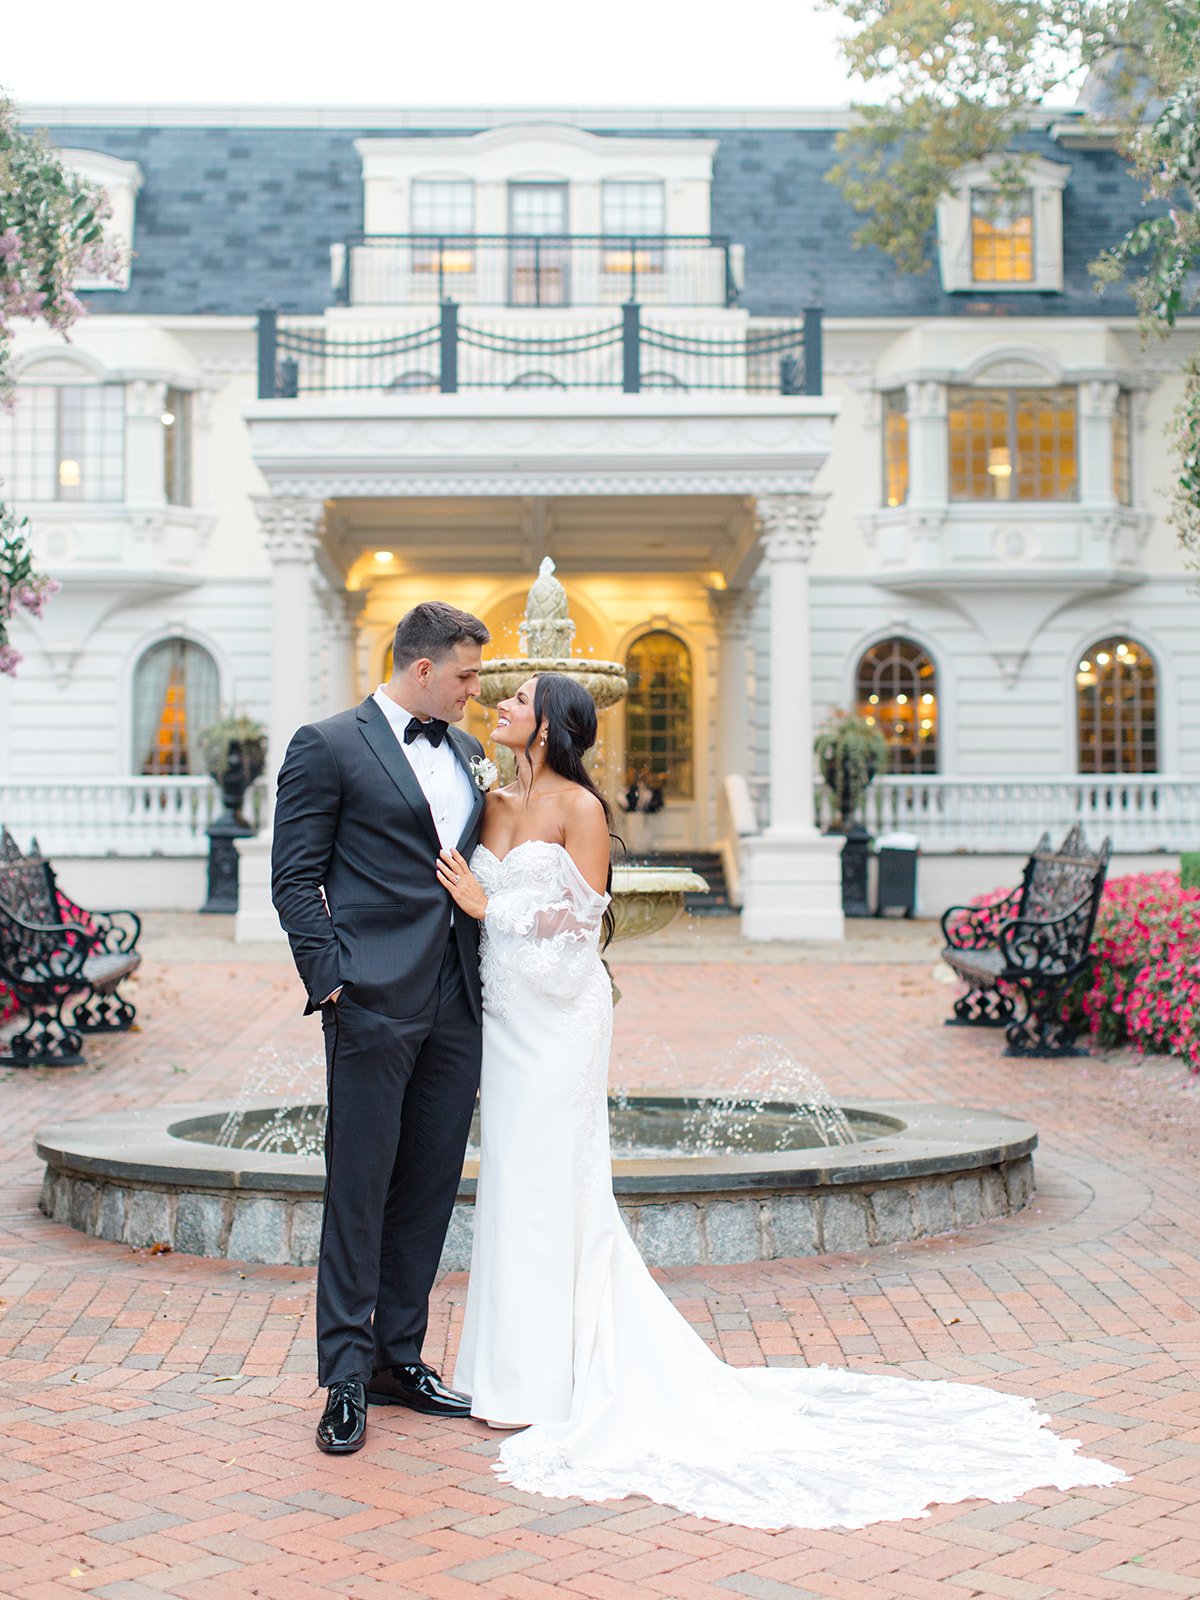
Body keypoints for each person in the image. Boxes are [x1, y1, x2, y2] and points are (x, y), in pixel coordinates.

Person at [437, 671, 1125, 1530]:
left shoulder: (578, 808)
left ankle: (557, 1376)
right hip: (503, 1018)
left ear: (548, 726)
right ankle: (507, 1373)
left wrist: (487, 905)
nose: (498, 704)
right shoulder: (493, 801)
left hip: (559, 1019)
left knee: (553, 1182)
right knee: (510, 1179)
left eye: (516, 698)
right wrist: (478, 905)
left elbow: (578, 930)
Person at [272, 600, 490, 1455]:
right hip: (369, 999)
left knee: (430, 1186)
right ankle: (346, 1377)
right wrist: (333, 982)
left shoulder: (469, 753)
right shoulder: (325, 746)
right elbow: (294, 877)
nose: (477, 691)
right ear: (424, 668)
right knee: (359, 1189)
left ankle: (401, 1357)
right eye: (468, 675)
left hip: (456, 1000)